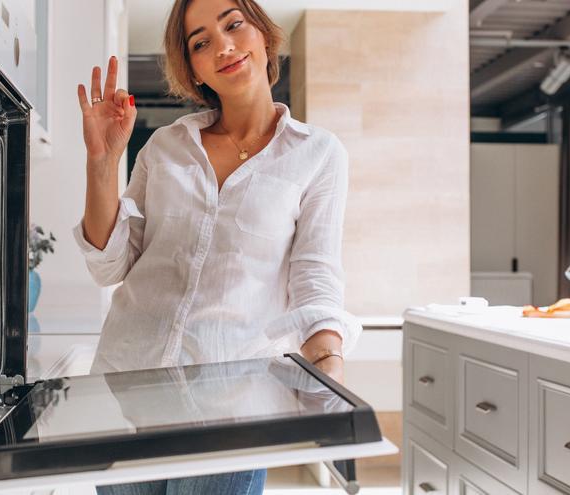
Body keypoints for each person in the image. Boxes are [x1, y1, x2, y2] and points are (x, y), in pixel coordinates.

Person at [73, 0, 360, 493]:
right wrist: (102, 162)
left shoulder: (318, 154)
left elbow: (314, 275)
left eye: (233, 25)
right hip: (125, 393)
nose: (223, 46)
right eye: (201, 42)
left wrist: (328, 366)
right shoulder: (165, 146)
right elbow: (111, 263)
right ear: (194, 68)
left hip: (231, 410)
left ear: (264, 36)